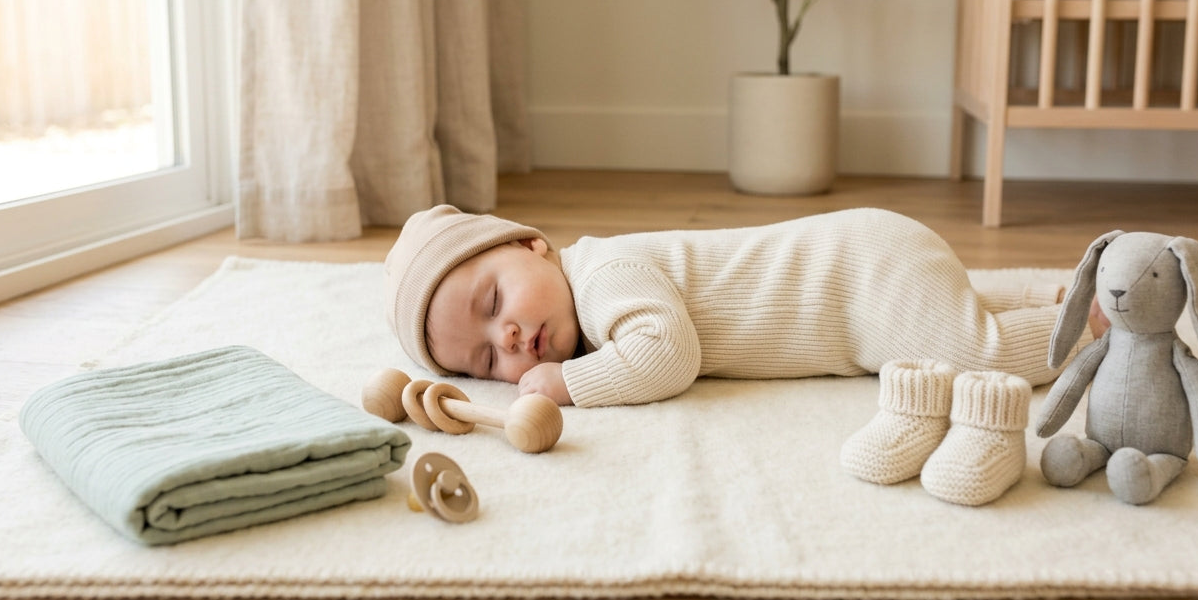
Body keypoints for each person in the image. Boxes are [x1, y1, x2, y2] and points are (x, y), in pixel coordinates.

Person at [382, 204, 1099, 409]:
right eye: (484, 357)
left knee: (967, 353)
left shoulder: (603, 276)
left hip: (855, 276)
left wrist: (572, 385)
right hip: (868, 255)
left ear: (535, 245)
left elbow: (669, 355)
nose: (506, 336)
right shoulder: (585, 296)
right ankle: (1049, 294)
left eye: (494, 301)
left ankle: (1095, 332)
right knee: (948, 308)